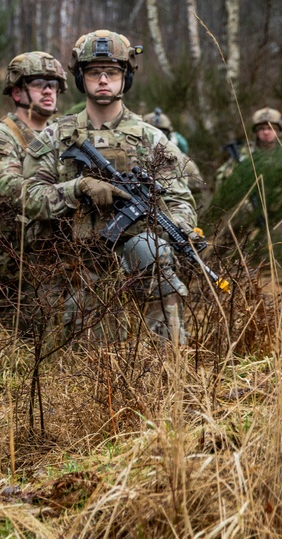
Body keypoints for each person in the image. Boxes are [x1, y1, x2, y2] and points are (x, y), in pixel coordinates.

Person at [22, 30, 198, 344]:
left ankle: (168, 359)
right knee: (83, 351)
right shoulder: (55, 136)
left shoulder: (151, 138)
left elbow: (180, 199)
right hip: (69, 257)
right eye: (93, 73)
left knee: (154, 251)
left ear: (125, 78)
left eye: (113, 72)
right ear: (80, 78)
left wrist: (176, 229)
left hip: (135, 250)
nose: (103, 79)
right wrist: (76, 188)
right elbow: (29, 198)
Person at [0, 51, 65, 327]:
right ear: (17, 93)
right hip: (12, 260)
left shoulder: (61, 135)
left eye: (53, 84)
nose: (48, 90)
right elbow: (11, 191)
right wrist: (73, 192)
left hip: (51, 255)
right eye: (38, 83)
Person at [212, 107, 282, 258]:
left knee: (270, 257)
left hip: (278, 215)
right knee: (230, 236)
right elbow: (221, 179)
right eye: (262, 128)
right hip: (247, 211)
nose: (266, 132)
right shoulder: (245, 153)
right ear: (256, 131)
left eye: (271, 128)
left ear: (278, 131)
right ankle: (218, 257)